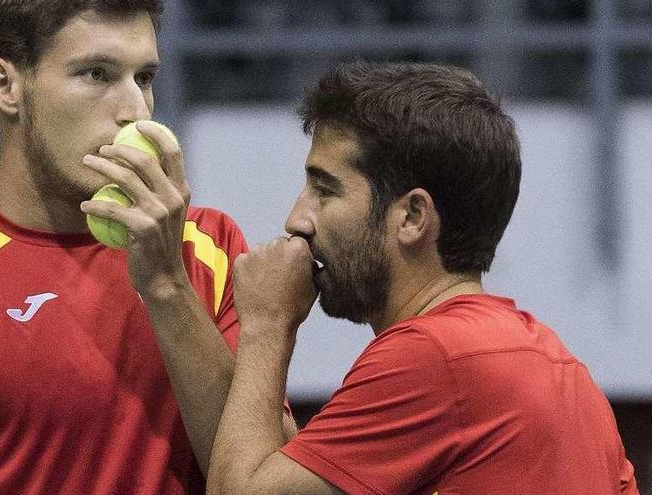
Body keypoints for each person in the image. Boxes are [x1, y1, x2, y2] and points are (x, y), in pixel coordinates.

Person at [0, 1, 294, 493]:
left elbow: (262, 481)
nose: (136, 112)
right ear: (6, 86)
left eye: (143, 78)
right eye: (97, 74)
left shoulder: (210, 247)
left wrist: (167, 285)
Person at [205, 61, 640, 494]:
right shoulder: (572, 380)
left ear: (412, 216)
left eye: (325, 190)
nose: (296, 220)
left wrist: (266, 325)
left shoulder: (435, 356)